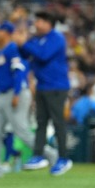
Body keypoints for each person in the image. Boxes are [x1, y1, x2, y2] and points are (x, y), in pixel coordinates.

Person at [0, 23, 58, 178]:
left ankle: (51, 154)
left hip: (16, 93)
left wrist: (16, 93)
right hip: (1, 95)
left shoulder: (13, 48)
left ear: (6, 32)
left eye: (0, 30)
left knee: (22, 132)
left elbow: (20, 71)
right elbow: (2, 77)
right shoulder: (0, 51)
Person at [14, 10, 73, 176]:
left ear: (49, 23)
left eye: (40, 20)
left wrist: (25, 43)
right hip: (42, 86)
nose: (36, 23)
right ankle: (38, 155)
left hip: (57, 86)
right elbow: (25, 55)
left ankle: (63, 158)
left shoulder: (56, 38)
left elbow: (43, 55)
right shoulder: (37, 39)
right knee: (41, 123)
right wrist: (21, 42)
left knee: (58, 122)